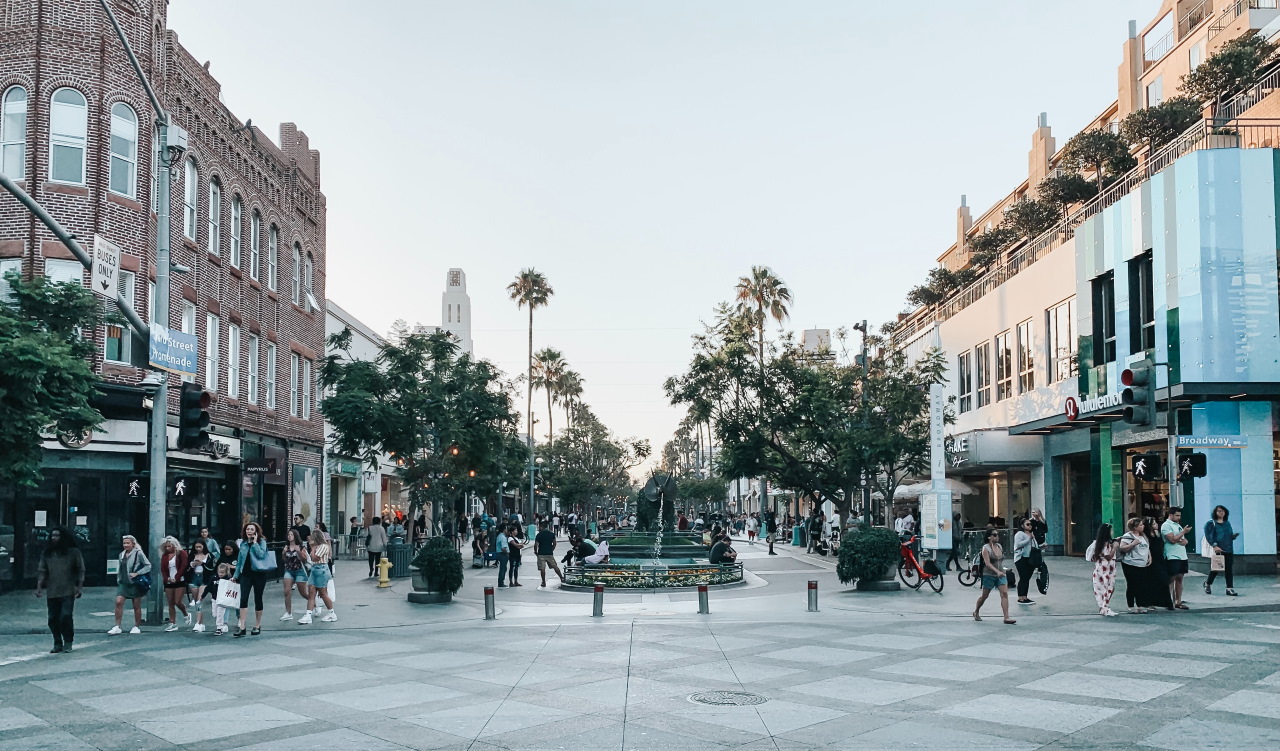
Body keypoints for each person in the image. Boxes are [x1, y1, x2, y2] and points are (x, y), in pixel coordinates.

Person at [35, 526, 84, 653]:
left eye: (57, 535)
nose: (54, 538)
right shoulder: (47, 553)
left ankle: (68, 641)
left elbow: (80, 569)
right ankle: (57, 641)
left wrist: (79, 587)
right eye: (52, 536)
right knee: (52, 618)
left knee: (66, 616)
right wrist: (39, 587)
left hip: (68, 589)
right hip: (52, 590)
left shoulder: (73, 552)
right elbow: (42, 570)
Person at [234, 522, 272, 637]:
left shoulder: (262, 542)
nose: (249, 531)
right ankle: (242, 626)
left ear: (256, 531)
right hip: (246, 574)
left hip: (259, 574)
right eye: (247, 529)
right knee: (243, 598)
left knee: (258, 598)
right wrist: (236, 575)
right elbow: (240, 561)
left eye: (251, 529)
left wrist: (255, 543)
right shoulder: (243, 543)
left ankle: (257, 625)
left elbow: (261, 555)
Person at [109, 534, 151, 635]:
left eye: (128, 543)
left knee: (136, 605)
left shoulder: (138, 553)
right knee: (118, 602)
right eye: (124, 543)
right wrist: (118, 579)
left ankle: (136, 626)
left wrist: (137, 573)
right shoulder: (122, 554)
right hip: (123, 582)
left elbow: (148, 565)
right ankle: (117, 626)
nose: (126, 545)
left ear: (133, 544)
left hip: (134, 582)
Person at [973, 527, 1015, 624]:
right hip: (989, 574)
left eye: (997, 535)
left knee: (1004, 594)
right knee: (985, 595)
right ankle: (976, 611)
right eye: (994, 535)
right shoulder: (985, 548)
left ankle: (1006, 617)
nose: (997, 537)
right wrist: (997, 571)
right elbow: (987, 563)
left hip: (1000, 575)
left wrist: (1003, 570)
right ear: (989, 537)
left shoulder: (999, 546)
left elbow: (1000, 561)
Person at [300, 530, 338, 623]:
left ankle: (332, 613)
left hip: (321, 569)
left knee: (323, 593)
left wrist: (312, 547)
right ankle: (308, 614)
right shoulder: (318, 546)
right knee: (311, 592)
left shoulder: (323, 546)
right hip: (315, 569)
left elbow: (314, 557)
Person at [1118, 517, 1152, 613]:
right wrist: (1133, 544)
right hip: (1130, 563)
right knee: (1133, 584)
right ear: (1135, 527)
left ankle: (1140, 604)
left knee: (1142, 584)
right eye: (1140, 525)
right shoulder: (1128, 536)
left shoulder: (1143, 536)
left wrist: (1149, 557)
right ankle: (1131, 605)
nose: (1143, 526)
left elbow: (1147, 547)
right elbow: (1122, 548)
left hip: (1142, 563)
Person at [1204, 504, 1239, 596]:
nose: (1221, 513)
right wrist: (1214, 545)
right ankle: (1207, 583)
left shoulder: (1227, 523)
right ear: (1215, 513)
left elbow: (1229, 534)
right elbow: (1209, 536)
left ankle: (1229, 588)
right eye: (1219, 511)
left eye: (1223, 511)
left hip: (1228, 548)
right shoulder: (1211, 523)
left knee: (1229, 569)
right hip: (1218, 549)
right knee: (1216, 568)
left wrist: (1233, 536)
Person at [1161, 507, 1192, 610]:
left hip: (1182, 555)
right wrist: (1183, 532)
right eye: (1177, 515)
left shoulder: (1177, 525)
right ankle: (1167, 600)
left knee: (1180, 578)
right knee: (1171, 578)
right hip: (1172, 555)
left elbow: (1183, 540)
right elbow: (1172, 540)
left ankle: (1178, 601)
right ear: (1170, 515)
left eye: (1179, 515)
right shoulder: (1166, 525)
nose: (1179, 517)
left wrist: (1182, 538)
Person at [159, 536, 191, 632]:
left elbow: (184, 566)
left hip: (179, 580)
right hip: (169, 581)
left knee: (177, 601)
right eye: (166, 546)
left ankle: (186, 613)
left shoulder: (181, 554)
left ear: (174, 545)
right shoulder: (164, 556)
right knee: (170, 603)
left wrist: (177, 577)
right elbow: (163, 569)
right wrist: (166, 578)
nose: (168, 548)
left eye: (169, 546)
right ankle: (172, 622)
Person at [279, 529, 312, 621]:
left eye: (292, 535)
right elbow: (284, 560)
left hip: (299, 570)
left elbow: (304, 560)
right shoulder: (287, 546)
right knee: (287, 591)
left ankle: (314, 604)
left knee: (303, 593)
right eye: (288, 534)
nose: (289, 536)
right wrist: (283, 553)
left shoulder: (301, 546)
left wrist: (298, 551)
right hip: (289, 570)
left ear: (295, 536)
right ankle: (288, 612)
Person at [1143, 515, 1174, 610]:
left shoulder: (1157, 534)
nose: (1156, 525)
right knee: (1152, 581)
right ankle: (1149, 602)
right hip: (1152, 559)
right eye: (1154, 523)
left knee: (1164, 579)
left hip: (1160, 559)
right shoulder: (1146, 536)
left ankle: (1165, 602)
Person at [1086, 524, 1118, 616]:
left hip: (1099, 567)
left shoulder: (1097, 543)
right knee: (1109, 588)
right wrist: (1115, 547)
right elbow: (1108, 557)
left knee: (1100, 588)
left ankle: (1103, 607)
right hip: (1108, 568)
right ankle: (1105, 608)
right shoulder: (1106, 544)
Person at [212, 541, 239, 635]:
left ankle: (239, 618)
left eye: (229, 549)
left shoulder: (237, 556)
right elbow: (217, 568)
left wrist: (232, 567)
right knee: (225, 603)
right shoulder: (222, 557)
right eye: (225, 549)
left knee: (237, 601)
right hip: (224, 583)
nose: (227, 551)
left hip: (235, 581)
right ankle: (224, 622)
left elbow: (241, 567)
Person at [187, 539, 212, 633]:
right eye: (196, 547)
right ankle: (201, 622)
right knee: (196, 600)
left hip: (204, 578)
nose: (198, 549)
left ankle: (198, 622)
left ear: (204, 547)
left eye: (200, 547)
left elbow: (211, 567)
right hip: (194, 577)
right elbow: (187, 567)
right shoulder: (192, 555)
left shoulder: (208, 555)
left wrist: (203, 563)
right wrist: (192, 564)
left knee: (199, 600)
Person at [1012, 518, 1039, 605]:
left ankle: (1025, 596)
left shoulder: (1031, 534)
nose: (1030, 526)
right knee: (1023, 577)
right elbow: (1018, 545)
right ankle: (1021, 597)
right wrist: (1029, 539)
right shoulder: (1020, 534)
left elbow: (1033, 546)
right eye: (1027, 524)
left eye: (1030, 524)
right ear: (1022, 525)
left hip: (1030, 558)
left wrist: (1041, 547)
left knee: (1027, 578)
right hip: (1021, 558)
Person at [534, 521, 564, 587]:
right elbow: (554, 543)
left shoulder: (539, 535)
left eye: (539, 527)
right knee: (555, 566)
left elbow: (536, 544)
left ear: (541, 527)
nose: (539, 528)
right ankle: (561, 577)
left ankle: (543, 582)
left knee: (542, 568)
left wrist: (536, 552)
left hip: (541, 553)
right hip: (549, 553)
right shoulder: (551, 534)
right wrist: (551, 549)